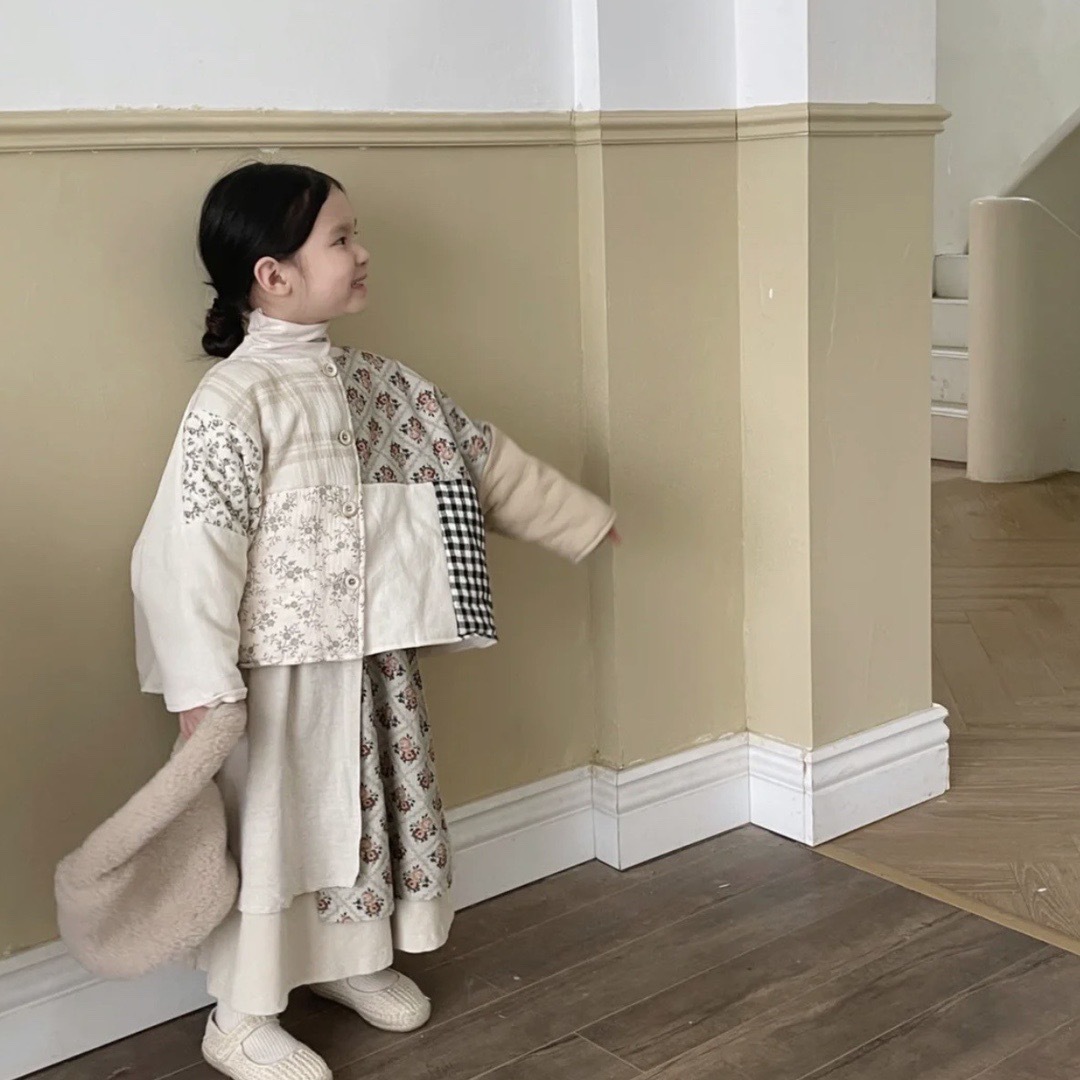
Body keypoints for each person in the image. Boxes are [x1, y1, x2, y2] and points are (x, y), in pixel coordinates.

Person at [131, 161, 617, 1080]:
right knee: (276, 830)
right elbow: (188, 549)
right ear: (274, 274)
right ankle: (240, 1015)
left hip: (370, 662)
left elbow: (482, 459)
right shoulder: (236, 401)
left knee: (363, 816)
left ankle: (346, 958)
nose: (362, 253)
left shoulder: (382, 388)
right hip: (274, 676)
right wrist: (200, 685)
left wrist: (580, 520)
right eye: (341, 239)